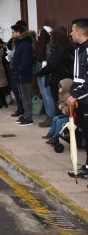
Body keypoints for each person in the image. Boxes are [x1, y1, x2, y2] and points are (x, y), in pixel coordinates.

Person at [37, 29, 72, 127]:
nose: (50, 39)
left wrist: (40, 72)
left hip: (58, 81)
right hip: (59, 80)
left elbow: (52, 66)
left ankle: (57, 128)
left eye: (52, 37)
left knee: (59, 105)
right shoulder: (62, 50)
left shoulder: (60, 51)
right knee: (58, 103)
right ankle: (55, 129)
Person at [66, 18, 88, 178]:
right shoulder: (78, 49)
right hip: (81, 101)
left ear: (80, 32)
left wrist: (76, 95)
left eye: (73, 30)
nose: (71, 33)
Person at [11, 21, 35, 126]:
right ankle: (25, 115)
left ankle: (29, 117)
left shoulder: (25, 44)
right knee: (22, 96)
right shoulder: (20, 43)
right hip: (19, 74)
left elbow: (26, 61)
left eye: (13, 32)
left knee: (26, 96)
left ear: (19, 33)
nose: (12, 35)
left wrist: (18, 70)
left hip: (23, 74)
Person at [35, 26, 56, 128]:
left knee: (48, 96)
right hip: (40, 73)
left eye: (40, 32)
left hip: (45, 74)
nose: (38, 34)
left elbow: (47, 62)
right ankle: (48, 116)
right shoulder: (41, 45)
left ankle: (51, 117)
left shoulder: (48, 45)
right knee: (44, 95)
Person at [44, 78, 72, 148]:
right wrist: (59, 105)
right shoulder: (62, 94)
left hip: (71, 116)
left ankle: (56, 137)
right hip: (67, 115)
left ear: (66, 88)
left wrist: (64, 109)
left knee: (59, 122)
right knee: (55, 118)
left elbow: (70, 108)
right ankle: (51, 133)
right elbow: (60, 102)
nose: (58, 89)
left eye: (60, 88)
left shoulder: (69, 96)